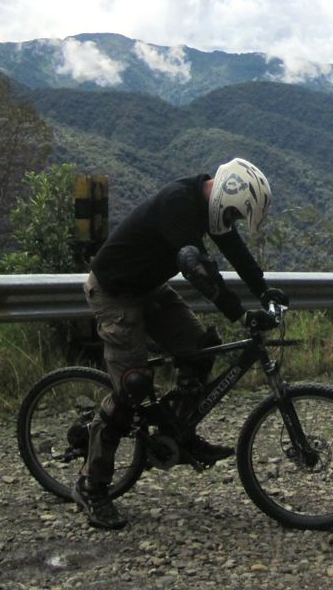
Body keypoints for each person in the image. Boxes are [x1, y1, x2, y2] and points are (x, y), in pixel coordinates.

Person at [75, 158, 286, 530]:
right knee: (132, 386)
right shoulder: (179, 202)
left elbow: (238, 254)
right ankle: (92, 486)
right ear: (226, 195)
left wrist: (265, 291)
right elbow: (197, 269)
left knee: (200, 349)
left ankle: (179, 432)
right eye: (235, 214)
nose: (233, 220)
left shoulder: (211, 209)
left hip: (148, 288)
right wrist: (240, 314)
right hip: (115, 293)